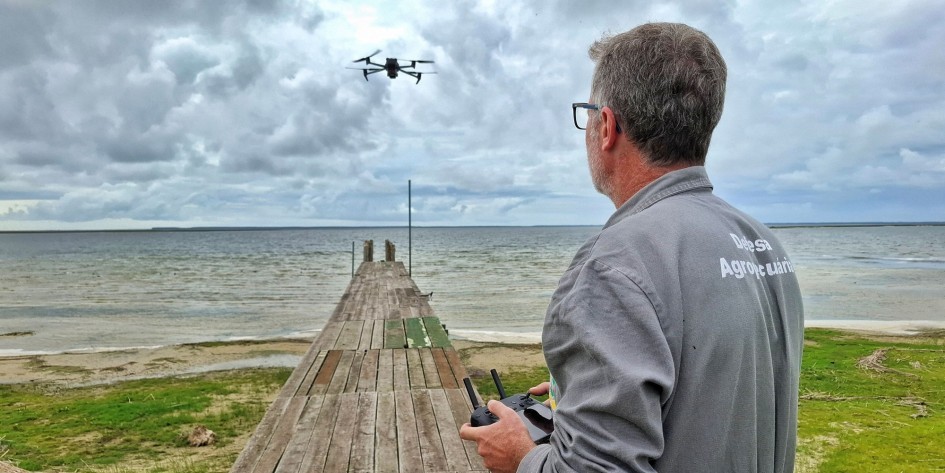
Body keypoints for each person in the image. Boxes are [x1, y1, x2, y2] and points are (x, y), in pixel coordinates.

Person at [459, 22, 804, 473]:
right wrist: (586, 392)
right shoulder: (762, 244)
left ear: (607, 126)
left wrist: (523, 457)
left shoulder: (615, 266)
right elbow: (713, 396)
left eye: (588, 114)